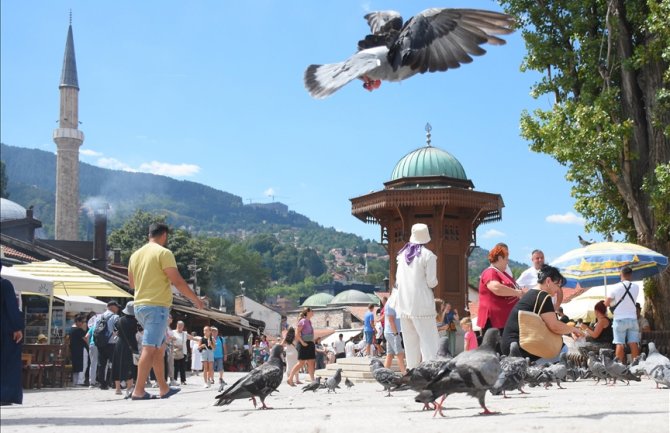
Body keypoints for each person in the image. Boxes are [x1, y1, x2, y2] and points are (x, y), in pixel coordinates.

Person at [127, 222, 204, 400]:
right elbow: (176, 281)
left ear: (149, 235)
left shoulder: (135, 255)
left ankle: (163, 388)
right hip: (156, 306)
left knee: (159, 348)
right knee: (149, 347)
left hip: (140, 305)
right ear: (164, 236)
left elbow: (132, 284)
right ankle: (138, 390)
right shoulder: (164, 253)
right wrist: (196, 300)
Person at [502, 264, 583, 363]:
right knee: (562, 349)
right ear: (548, 281)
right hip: (521, 348)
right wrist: (573, 329)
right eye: (557, 285)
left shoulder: (531, 294)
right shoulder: (543, 296)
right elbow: (555, 326)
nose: (558, 290)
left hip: (510, 346)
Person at [394, 223, 440, 369]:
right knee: (429, 343)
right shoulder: (428, 256)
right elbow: (432, 282)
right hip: (422, 304)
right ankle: (431, 374)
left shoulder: (401, 255)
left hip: (403, 304)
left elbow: (397, 280)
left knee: (410, 344)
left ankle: (413, 375)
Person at [476, 244, 524, 341]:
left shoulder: (503, 273)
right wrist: (517, 293)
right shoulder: (490, 272)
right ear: (500, 258)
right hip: (495, 321)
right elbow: (496, 288)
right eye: (506, 259)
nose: (507, 262)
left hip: (505, 321)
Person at [604, 266, 640, 363]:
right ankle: (636, 366)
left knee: (619, 343)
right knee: (633, 343)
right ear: (631, 275)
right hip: (633, 319)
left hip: (619, 319)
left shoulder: (615, 287)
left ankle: (618, 366)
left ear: (621, 274)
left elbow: (606, 303)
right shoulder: (636, 287)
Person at [1, 268, 24, 406]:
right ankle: (4, 394)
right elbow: (11, 307)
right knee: (6, 363)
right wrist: (17, 327)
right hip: (4, 330)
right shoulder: (4, 284)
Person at [112, 301, 139, 396]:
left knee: (118, 365)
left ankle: (118, 389)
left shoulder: (119, 320)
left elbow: (115, 332)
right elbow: (141, 331)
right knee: (131, 366)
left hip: (119, 344)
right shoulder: (136, 321)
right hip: (131, 345)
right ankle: (129, 388)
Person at [96, 300, 121, 390]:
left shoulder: (99, 317)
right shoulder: (115, 317)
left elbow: (95, 329)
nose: (118, 308)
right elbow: (118, 330)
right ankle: (112, 382)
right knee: (113, 363)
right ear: (111, 307)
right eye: (117, 306)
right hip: (111, 343)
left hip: (100, 342)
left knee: (101, 364)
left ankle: (102, 383)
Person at [288, 307, 316, 385]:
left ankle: (313, 380)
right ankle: (290, 378)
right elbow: (297, 333)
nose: (313, 312)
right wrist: (302, 342)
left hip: (310, 343)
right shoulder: (302, 321)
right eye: (312, 311)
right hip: (303, 344)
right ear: (307, 312)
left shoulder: (309, 321)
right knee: (301, 363)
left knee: (311, 362)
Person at [383, 288, 406, 374]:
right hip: (392, 332)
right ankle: (404, 374)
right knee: (400, 354)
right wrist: (396, 334)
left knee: (390, 355)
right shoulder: (391, 303)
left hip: (390, 332)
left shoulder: (391, 302)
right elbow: (391, 320)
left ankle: (384, 374)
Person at [70, 315, 88, 386]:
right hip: (81, 349)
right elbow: (86, 339)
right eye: (82, 322)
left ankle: (75, 381)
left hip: (74, 350)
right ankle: (80, 381)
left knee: (76, 366)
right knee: (83, 365)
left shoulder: (72, 330)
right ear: (78, 322)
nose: (83, 323)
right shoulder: (79, 330)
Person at [172, 320, 189, 385]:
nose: (180, 326)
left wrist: (199, 339)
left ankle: (183, 380)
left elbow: (191, 337)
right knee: (175, 367)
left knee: (183, 367)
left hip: (183, 351)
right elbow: (169, 338)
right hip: (175, 351)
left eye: (181, 325)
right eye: (179, 325)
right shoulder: (173, 332)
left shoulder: (185, 333)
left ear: (183, 326)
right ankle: (174, 380)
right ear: (177, 325)